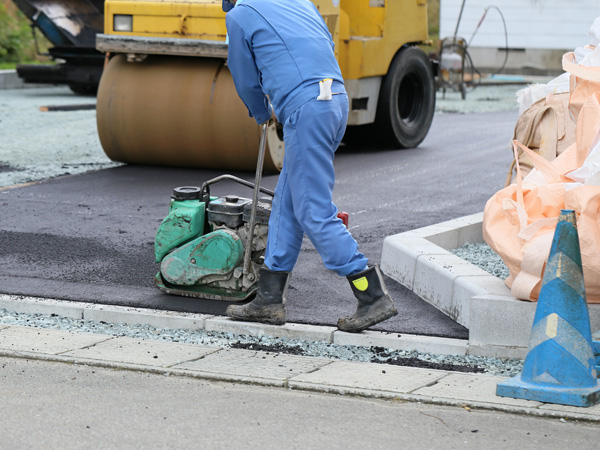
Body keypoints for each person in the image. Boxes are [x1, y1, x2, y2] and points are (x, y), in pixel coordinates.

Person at [222, 0, 398, 332]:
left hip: (307, 109)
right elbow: (325, 44)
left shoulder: (240, 15)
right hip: (334, 101)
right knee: (288, 205)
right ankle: (269, 299)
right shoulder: (299, 2)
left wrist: (262, 113)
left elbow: (244, 76)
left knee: (312, 209)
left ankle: (371, 294)